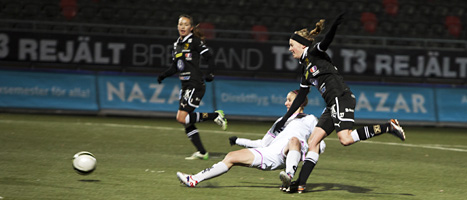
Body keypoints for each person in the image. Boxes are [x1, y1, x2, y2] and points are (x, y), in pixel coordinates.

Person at [272, 13, 406, 193]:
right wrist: (284, 119)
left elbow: (325, 42)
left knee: (346, 139)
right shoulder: (305, 69)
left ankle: (388, 126)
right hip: (331, 104)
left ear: (302, 45)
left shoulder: (313, 54)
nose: (289, 49)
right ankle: (300, 184)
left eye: (291, 45)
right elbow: (300, 97)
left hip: (341, 98)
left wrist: (334, 27)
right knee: (313, 142)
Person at [177, 90, 323, 188]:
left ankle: (289, 176)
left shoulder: (310, 119)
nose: (286, 103)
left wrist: (308, 152)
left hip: (289, 154)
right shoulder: (280, 121)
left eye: (289, 100)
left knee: (293, 140)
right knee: (231, 157)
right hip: (269, 154)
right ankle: (194, 179)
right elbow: (263, 143)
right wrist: (238, 140)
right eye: (286, 100)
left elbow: (320, 143)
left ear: (299, 102)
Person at [157, 14, 227, 160]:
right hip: (185, 85)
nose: (182, 26)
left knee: (182, 118)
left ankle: (216, 115)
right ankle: (202, 152)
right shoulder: (177, 44)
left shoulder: (195, 42)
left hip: (195, 84)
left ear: (191, 28)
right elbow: (175, 67)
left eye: (185, 24)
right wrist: (163, 75)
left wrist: (210, 73)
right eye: (180, 24)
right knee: (185, 120)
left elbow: (210, 57)